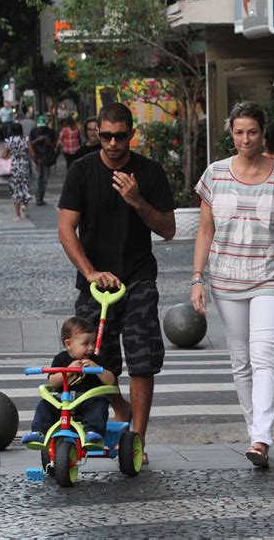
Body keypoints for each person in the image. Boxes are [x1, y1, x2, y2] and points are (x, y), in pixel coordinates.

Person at [57, 102, 176, 465]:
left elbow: (168, 229)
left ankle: (136, 439)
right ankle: (119, 406)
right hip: (96, 283)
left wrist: (138, 201)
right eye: (105, 136)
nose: (112, 143)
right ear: (97, 134)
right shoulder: (82, 171)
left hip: (138, 277)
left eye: (119, 136)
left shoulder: (149, 172)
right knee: (93, 361)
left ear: (131, 134)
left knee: (141, 358)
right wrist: (90, 271)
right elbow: (65, 229)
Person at [190, 101, 274, 468]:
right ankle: (254, 428)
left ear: (263, 132)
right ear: (231, 132)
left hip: (271, 277)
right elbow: (205, 229)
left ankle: (261, 438)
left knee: (264, 353)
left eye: (252, 132)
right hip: (226, 280)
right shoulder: (215, 174)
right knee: (240, 360)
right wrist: (197, 278)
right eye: (238, 132)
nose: (245, 139)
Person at [21, 317, 116, 445]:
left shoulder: (96, 360)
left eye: (93, 343)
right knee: (44, 405)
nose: (91, 348)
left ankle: (93, 434)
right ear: (69, 344)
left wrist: (97, 369)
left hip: (87, 401)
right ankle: (39, 432)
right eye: (86, 344)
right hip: (62, 401)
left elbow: (111, 380)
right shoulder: (61, 359)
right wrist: (68, 370)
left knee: (99, 404)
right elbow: (53, 382)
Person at [1, 122, 32, 221]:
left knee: (15, 189)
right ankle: (24, 204)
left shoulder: (9, 140)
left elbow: (4, 155)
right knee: (25, 186)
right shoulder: (26, 140)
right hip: (24, 165)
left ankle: (17, 215)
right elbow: (32, 153)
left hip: (13, 167)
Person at [28, 115, 57, 206]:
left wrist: (48, 142)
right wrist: (38, 140)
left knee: (45, 179)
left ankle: (41, 197)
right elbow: (30, 144)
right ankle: (38, 198)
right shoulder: (33, 132)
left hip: (46, 157)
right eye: (40, 127)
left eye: (43, 127)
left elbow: (54, 145)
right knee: (38, 177)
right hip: (36, 158)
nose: (41, 129)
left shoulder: (50, 132)